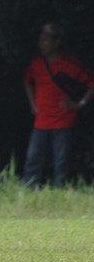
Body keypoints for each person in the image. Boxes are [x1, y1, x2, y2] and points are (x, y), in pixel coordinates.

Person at [21, 23, 94, 188]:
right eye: (40, 40)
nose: (42, 44)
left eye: (45, 40)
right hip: (41, 120)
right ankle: (29, 189)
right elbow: (27, 81)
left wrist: (80, 103)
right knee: (33, 158)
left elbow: (91, 83)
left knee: (61, 161)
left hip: (64, 120)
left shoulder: (69, 64)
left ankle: (59, 191)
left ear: (56, 42)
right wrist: (33, 103)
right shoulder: (36, 64)